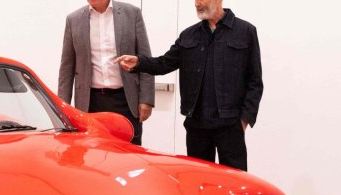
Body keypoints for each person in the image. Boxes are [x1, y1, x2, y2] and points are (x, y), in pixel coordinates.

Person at [115, 0, 262, 170]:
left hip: (230, 124)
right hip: (197, 125)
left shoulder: (245, 32)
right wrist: (139, 62)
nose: (197, 3)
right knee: (198, 180)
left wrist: (245, 119)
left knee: (235, 181)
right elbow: (164, 63)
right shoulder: (189, 35)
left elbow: (255, 81)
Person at [58, 0, 155, 146]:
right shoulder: (74, 19)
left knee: (129, 155)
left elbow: (145, 58)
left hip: (126, 101)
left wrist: (146, 99)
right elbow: (67, 67)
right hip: (90, 102)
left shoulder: (132, 13)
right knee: (93, 155)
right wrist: (62, 107)